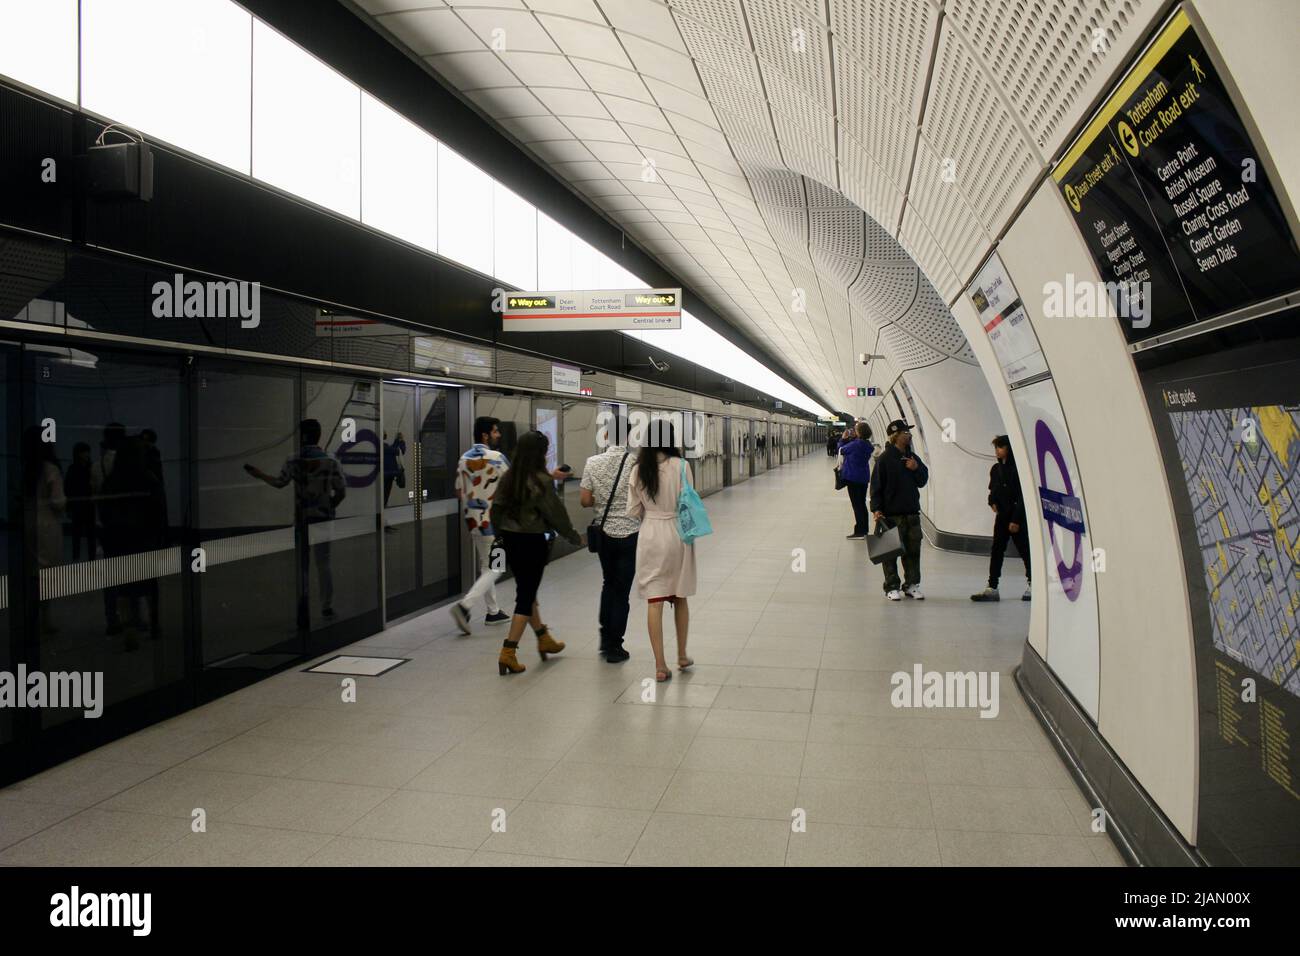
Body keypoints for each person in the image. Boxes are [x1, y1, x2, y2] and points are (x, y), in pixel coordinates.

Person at [490, 430, 581, 675]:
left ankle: (543, 637)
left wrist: (500, 534)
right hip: (532, 542)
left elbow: (496, 510)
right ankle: (508, 651)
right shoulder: (540, 479)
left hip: (510, 540)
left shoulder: (509, 477)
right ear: (540, 453)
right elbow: (555, 513)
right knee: (525, 597)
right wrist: (573, 536)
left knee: (527, 591)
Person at [245, 419, 346, 622]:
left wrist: (259, 474)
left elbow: (279, 483)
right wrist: (329, 507)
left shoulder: (293, 460)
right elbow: (341, 491)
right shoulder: (331, 460)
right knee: (324, 564)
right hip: (323, 519)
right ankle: (326, 607)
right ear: (319, 435)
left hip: (302, 520)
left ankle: (303, 604)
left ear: (303, 436)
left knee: (303, 565)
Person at [627, 421, 697, 683]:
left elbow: (633, 510)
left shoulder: (637, 470)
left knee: (654, 599)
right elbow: (688, 502)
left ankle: (659, 665)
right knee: (679, 596)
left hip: (650, 534)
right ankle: (681, 655)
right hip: (677, 532)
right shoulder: (681, 466)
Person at [580, 414, 639, 663]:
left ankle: (605, 636)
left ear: (606, 435)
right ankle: (616, 645)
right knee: (622, 590)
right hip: (629, 532)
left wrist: (602, 502)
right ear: (627, 436)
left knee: (608, 583)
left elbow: (585, 500)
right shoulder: (635, 463)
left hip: (603, 534)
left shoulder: (592, 462)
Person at [449, 417, 511, 634]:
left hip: (474, 521)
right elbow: (513, 485)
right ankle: (465, 606)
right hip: (495, 523)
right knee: (497, 566)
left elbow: (459, 491)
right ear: (485, 435)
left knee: (488, 565)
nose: (499, 435)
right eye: (495, 432)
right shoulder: (497, 458)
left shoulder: (463, 458)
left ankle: (494, 612)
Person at [869, 420, 929, 601]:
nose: (908, 435)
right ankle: (891, 586)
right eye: (905, 433)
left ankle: (911, 584)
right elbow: (876, 486)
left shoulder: (912, 458)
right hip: (891, 514)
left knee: (913, 551)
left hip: (911, 513)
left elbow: (922, 480)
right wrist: (876, 509)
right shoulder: (885, 459)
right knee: (890, 553)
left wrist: (916, 468)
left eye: (908, 433)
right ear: (895, 436)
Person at [972, 435, 1032, 602]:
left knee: (1025, 551)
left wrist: (1016, 520)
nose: (997, 451)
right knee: (997, 550)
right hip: (1002, 517)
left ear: (1009, 449)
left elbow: (1022, 497)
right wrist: (992, 502)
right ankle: (992, 586)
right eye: (996, 447)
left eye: (1001, 447)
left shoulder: (1018, 470)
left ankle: (1033, 582)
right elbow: (993, 490)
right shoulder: (996, 469)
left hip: (1016, 517)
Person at [840, 421, 875, 539]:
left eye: (856, 429)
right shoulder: (867, 445)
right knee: (861, 504)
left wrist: (843, 439)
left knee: (857, 505)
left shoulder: (856, 444)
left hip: (853, 477)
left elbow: (841, 450)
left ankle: (859, 531)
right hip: (863, 478)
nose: (854, 431)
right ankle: (864, 529)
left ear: (859, 432)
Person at [65, 441, 96, 561]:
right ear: (78, 454)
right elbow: (68, 489)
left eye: (87, 452)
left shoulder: (76, 469)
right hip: (80, 505)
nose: (87, 454)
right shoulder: (76, 469)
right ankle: (77, 557)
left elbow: (68, 488)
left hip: (86, 505)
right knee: (78, 535)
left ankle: (87, 558)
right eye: (84, 452)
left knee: (88, 535)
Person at [381, 430, 406, 511]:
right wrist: (400, 440)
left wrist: (397, 441)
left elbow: (395, 449)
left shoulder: (383, 448)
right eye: (384, 433)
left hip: (386, 478)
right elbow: (399, 451)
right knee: (383, 500)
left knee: (383, 501)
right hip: (387, 479)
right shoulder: (385, 449)